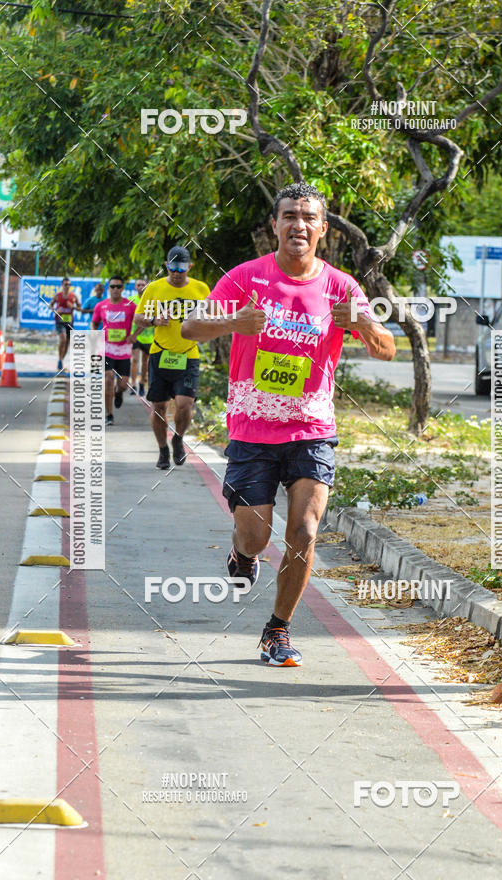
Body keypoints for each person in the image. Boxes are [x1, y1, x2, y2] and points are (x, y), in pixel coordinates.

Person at [181, 182, 395, 666]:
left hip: (312, 429)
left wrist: (360, 324)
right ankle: (243, 555)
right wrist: (233, 324)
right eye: (289, 216)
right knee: (256, 536)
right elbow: (190, 327)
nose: (298, 224)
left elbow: (387, 348)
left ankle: (277, 630)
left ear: (323, 228)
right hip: (252, 430)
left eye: (308, 217)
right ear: (274, 225)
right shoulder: (245, 277)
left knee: (304, 529)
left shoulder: (342, 286)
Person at [133, 247, 210, 469]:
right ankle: (163, 450)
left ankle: (178, 438)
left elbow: (214, 315)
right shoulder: (155, 289)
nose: (177, 272)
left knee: (185, 405)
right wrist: (155, 320)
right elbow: (139, 317)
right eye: (173, 267)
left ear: (189, 267)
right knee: (158, 406)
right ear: (167, 265)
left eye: (182, 268)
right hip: (160, 354)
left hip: (188, 355)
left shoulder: (200, 289)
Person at [91, 276, 136, 425]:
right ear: (108, 288)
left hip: (124, 349)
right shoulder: (101, 306)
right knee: (108, 378)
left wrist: (134, 335)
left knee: (123, 384)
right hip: (106, 348)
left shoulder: (130, 306)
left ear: (122, 288)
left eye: (118, 286)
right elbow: (94, 322)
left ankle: (119, 393)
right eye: (112, 286)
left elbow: (142, 321)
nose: (115, 289)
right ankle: (109, 415)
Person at [49, 277, 81, 370]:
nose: (67, 286)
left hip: (69, 321)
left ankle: (61, 360)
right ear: (62, 285)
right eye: (65, 284)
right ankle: (59, 359)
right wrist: (55, 310)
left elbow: (80, 308)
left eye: (69, 284)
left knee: (67, 342)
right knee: (62, 339)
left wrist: (73, 307)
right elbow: (50, 305)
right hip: (59, 321)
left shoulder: (73, 296)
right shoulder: (58, 296)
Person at [127, 278, 150, 396]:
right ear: (135, 287)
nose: (141, 287)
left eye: (143, 285)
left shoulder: (151, 301)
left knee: (145, 362)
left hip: (149, 337)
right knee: (134, 360)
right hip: (135, 336)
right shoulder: (131, 301)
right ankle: (133, 385)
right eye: (138, 285)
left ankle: (142, 383)